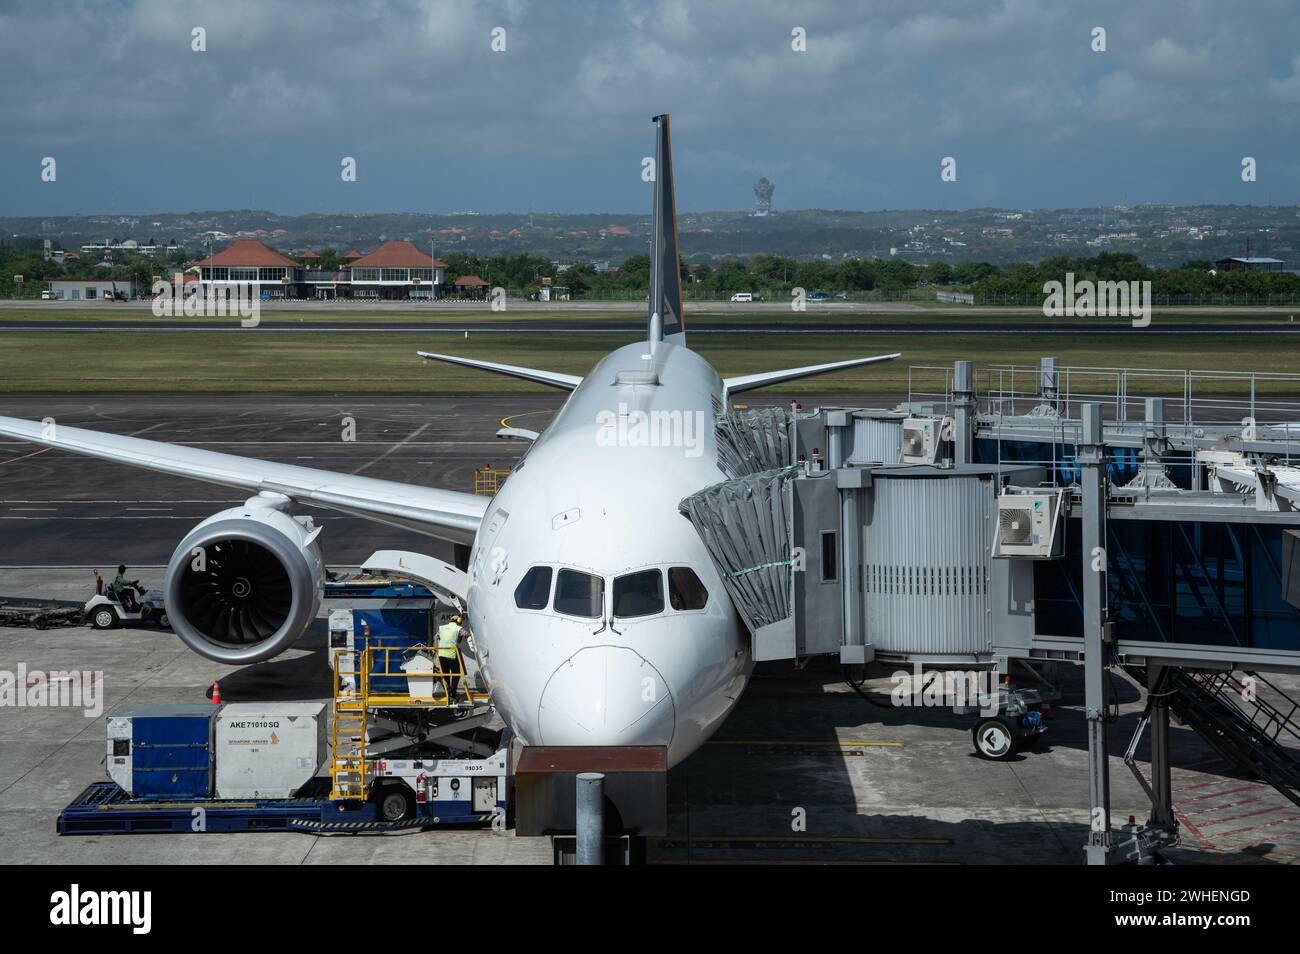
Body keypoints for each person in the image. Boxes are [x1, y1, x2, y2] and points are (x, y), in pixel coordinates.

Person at [435, 614, 467, 703]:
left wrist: (436, 650)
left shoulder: (442, 627)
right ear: (459, 621)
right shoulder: (458, 628)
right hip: (452, 655)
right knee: (456, 675)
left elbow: (435, 637)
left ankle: (447, 693)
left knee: (446, 675)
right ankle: (453, 694)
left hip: (441, 655)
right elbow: (466, 634)